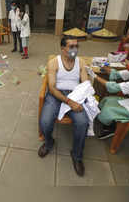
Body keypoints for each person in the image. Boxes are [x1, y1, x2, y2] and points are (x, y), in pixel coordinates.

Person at [38, 36, 90, 177]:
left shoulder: (81, 62)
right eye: (71, 46)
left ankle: (77, 155)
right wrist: (68, 101)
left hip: (75, 95)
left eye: (76, 46)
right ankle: (49, 143)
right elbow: (52, 87)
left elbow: (85, 84)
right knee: (45, 122)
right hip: (56, 95)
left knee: (83, 122)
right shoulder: (54, 62)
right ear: (63, 48)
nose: (75, 49)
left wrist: (79, 98)